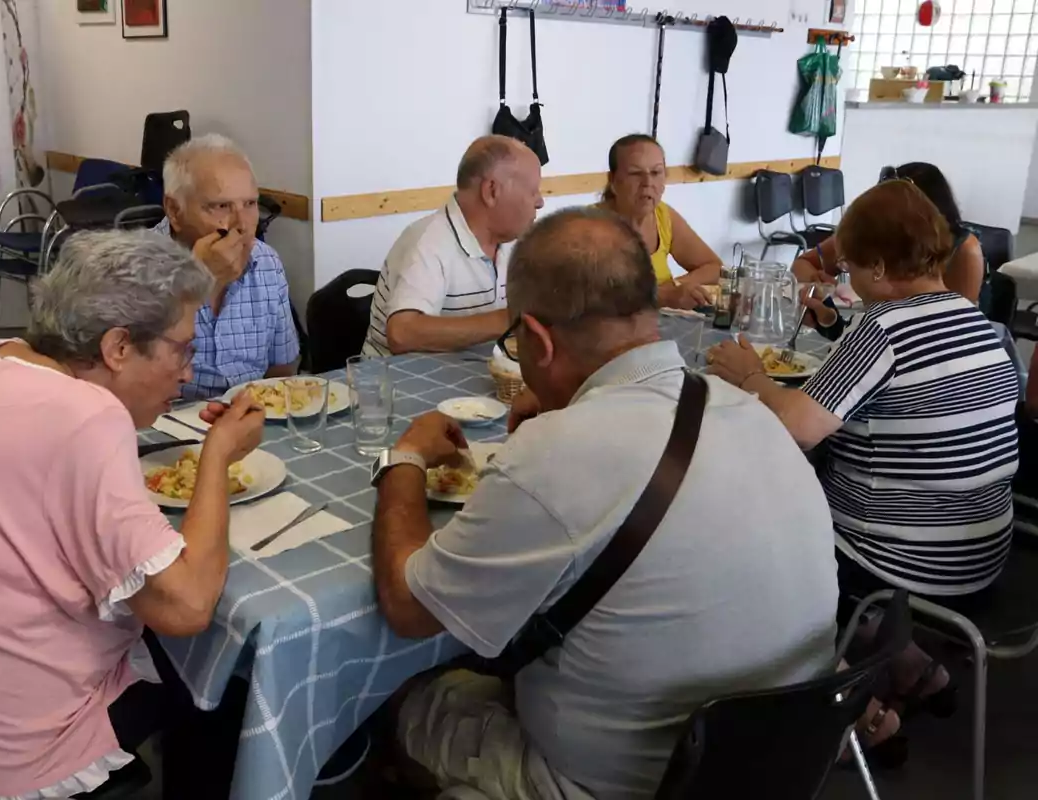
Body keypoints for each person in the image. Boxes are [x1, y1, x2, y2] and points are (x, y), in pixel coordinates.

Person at [371, 207, 839, 799]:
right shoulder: (749, 410)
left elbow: (408, 609)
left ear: (536, 340)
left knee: (405, 700)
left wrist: (404, 461)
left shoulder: (555, 455)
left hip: (617, 786)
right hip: (780, 762)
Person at [0, 230, 267, 798]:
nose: (187, 373)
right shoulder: (87, 416)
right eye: (182, 349)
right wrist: (218, 457)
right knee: (221, 677)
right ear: (118, 348)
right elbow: (187, 605)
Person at [709, 180, 1018, 745]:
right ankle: (919, 670)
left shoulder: (885, 328)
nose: (845, 276)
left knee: (742, 549)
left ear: (878, 267)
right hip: (983, 552)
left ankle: (860, 716)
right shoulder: (969, 316)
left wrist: (749, 375)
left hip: (906, 561)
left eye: (849, 265)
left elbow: (798, 429)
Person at [361, 135, 544, 357]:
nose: (540, 202)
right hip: (400, 384)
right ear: (491, 191)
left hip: (472, 375)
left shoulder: (514, 241)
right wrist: (508, 319)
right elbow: (402, 333)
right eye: (533, 191)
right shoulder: (428, 241)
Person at [156, 133, 299, 400]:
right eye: (221, 206)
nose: (242, 224)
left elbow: (281, 370)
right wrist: (198, 280)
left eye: (250, 204)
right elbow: (129, 386)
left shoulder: (266, 262)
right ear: (174, 211)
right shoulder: (132, 271)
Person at [792, 162, 985, 303]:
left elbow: (953, 324)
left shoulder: (965, 250)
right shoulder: (873, 231)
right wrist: (815, 284)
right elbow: (804, 263)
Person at [598, 133, 722, 310]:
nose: (647, 182)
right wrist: (660, 296)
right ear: (613, 181)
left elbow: (715, 268)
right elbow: (594, 298)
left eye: (656, 172)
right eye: (635, 174)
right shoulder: (591, 225)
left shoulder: (663, 216)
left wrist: (676, 286)